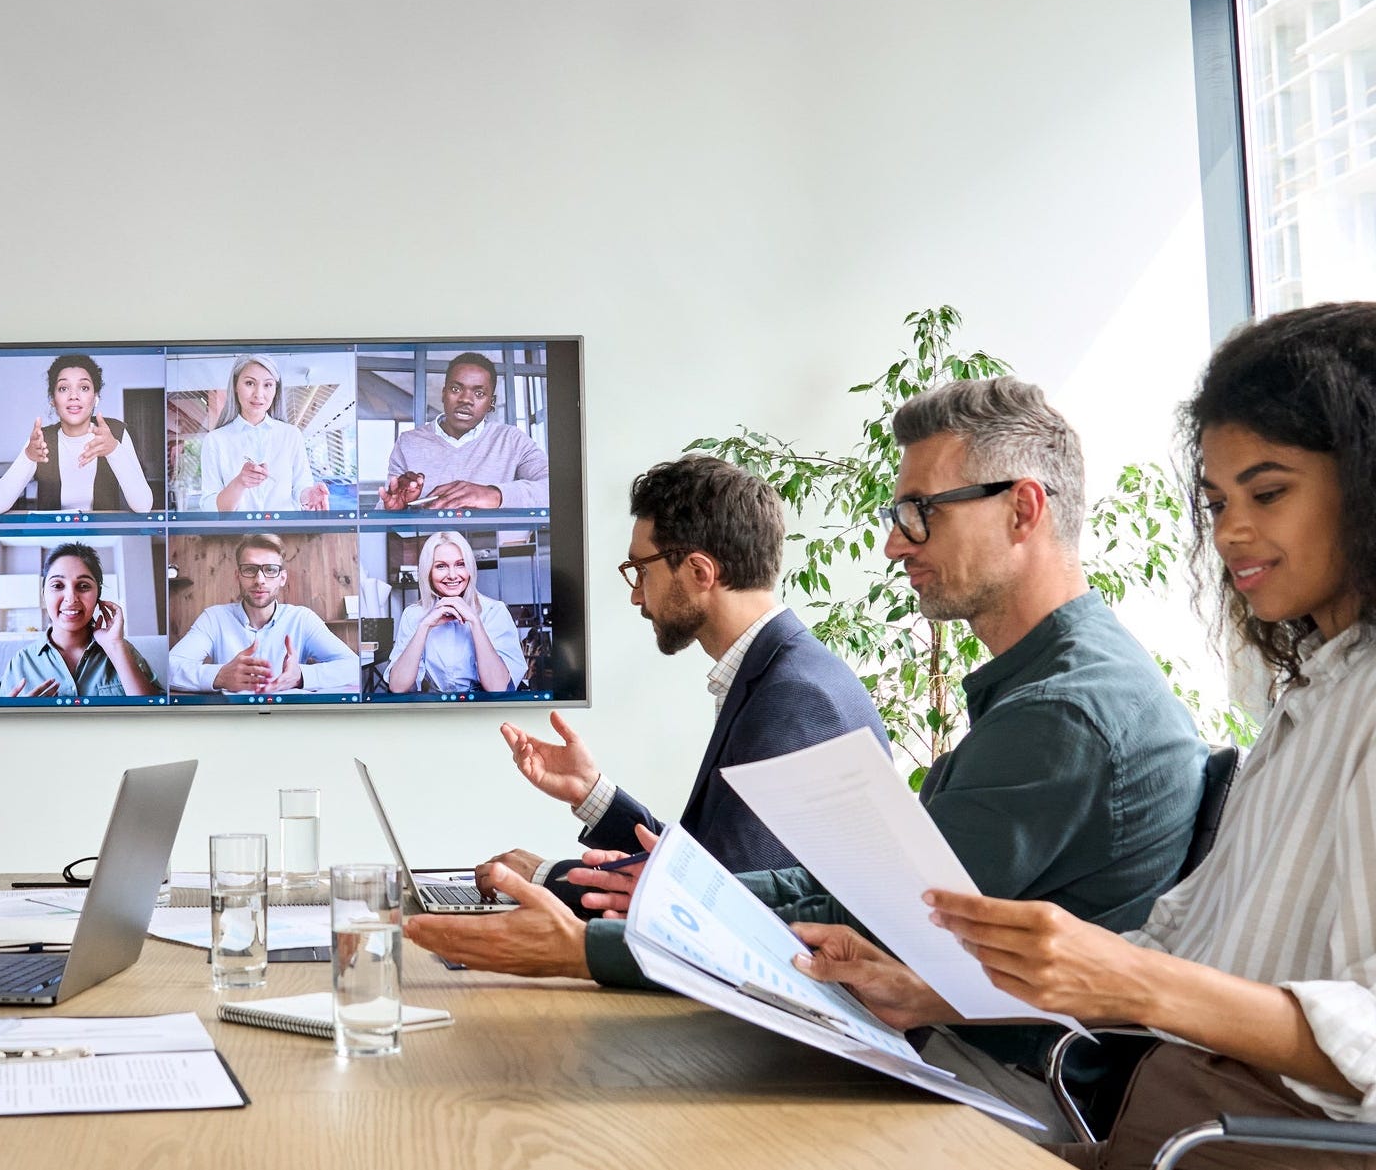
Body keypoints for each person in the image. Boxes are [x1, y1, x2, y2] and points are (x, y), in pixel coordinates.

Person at [407, 378, 1206, 1105]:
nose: (895, 543)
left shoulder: (1062, 712)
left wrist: (590, 946)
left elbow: (874, 921)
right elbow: (840, 888)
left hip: (997, 1081)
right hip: (957, 1047)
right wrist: (653, 886)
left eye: (920, 511)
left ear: (1023, 509)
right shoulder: (1050, 686)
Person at [799, 303, 1376, 1168]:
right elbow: (1174, 950)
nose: (1230, 533)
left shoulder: (1082, 708)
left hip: (1238, 1141)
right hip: (1171, 1117)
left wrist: (1132, 979)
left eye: (1268, 491)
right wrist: (930, 992)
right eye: (1216, 501)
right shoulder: (1310, 701)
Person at [470, 456, 887, 912]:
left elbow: (721, 902)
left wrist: (545, 879)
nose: (635, 593)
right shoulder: (782, 671)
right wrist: (592, 793)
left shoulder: (794, 696)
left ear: (699, 572)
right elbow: (713, 866)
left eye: (641, 570)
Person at [167, 533, 358, 695]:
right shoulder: (214, 618)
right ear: (238, 576)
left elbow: (353, 667)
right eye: (250, 570)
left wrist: (300, 676)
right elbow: (170, 667)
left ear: (282, 578)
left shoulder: (302, 619)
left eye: (270, 570)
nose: (260, 580)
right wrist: (220, 676)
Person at [377, 351, 550, 510]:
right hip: (428, 544)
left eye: (479, 393)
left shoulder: (512, 440)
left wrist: (494, 494)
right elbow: (385, 506)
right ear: (443, 394)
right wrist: (396, 510)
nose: (466, 399)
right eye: (456, 389)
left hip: (495, 545)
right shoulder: (408, 442)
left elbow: (554, 489)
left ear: (491, 402)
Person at [0, 353, 155, 514]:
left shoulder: (116, 432)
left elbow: (143, 506)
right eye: (63, 388)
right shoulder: (41, 439)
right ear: (53, 399)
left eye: (84, 387)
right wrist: (28, 457)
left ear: (95, 397)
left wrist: (114, 450)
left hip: (105, 541)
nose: (74, 396)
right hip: (54, 541)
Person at [0, 541, 161, 698]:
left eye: (83, 586)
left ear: (98, 595)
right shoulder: (22, 661)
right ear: (44, 594)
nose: (71, 598)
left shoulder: (121, 648)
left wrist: (115, 646)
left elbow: (156, 716)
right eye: (58, 586)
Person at [385, 530, 527, 693]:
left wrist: (475, 622)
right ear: (428, 572)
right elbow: (397, 687)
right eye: (441, 566)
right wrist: (424, 626)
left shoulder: (495, 611)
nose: (453, 575)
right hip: (438, 709)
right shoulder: (413, 615)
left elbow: (498, 688)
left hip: (486, 709)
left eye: (460, 564)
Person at [195, 353, 329, 512]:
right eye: (250, 383)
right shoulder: (215, 440)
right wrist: (239, 483)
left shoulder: (291, 435)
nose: (259, 394)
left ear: (275, 390)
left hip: (285, 533)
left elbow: (300, 487)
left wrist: (309, 495)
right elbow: (209, 508)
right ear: (236, 386)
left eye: (267, 385)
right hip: (237, 535)